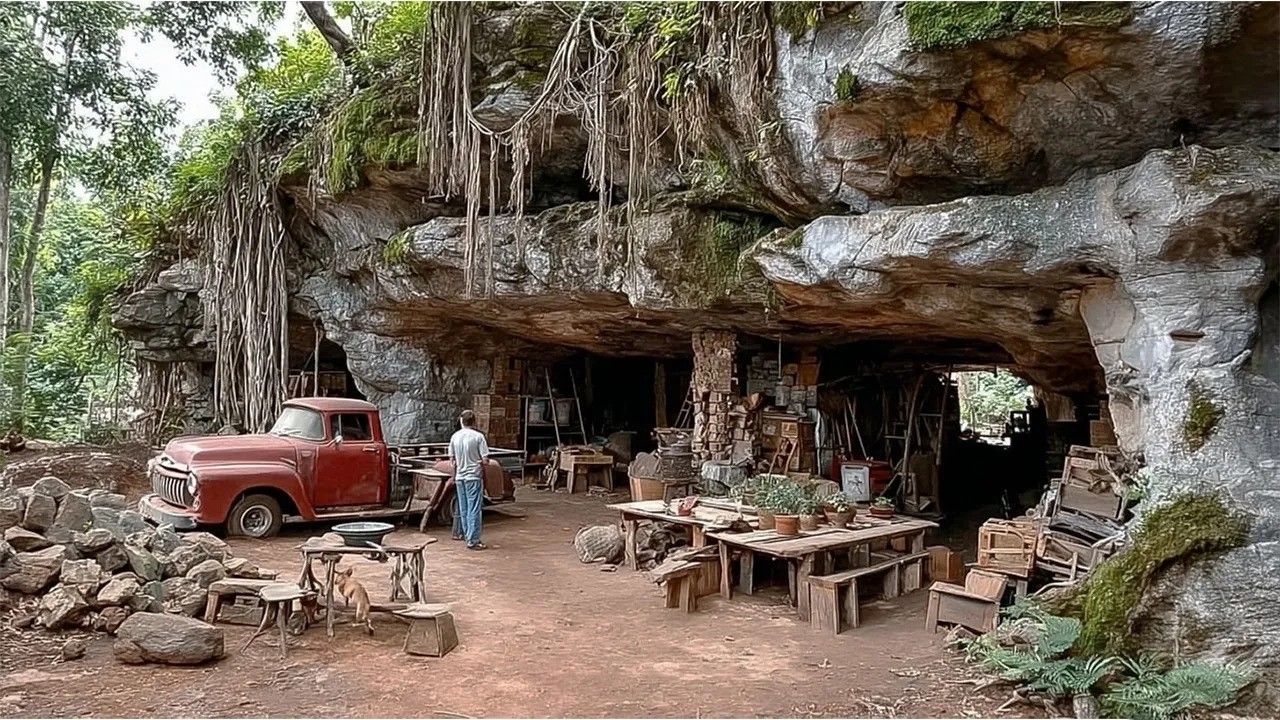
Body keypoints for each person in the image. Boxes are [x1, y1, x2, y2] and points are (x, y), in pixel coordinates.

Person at [447, 410, 490, 550]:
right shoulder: (478, 437)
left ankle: (467, 534)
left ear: (461, 421)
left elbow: (452, 461)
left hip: (460, 477)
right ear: (474, 421)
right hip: (473, 476)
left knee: (464, 508)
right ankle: (473, 540)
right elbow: (485, 460)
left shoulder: (455, 437)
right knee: (474, 509)